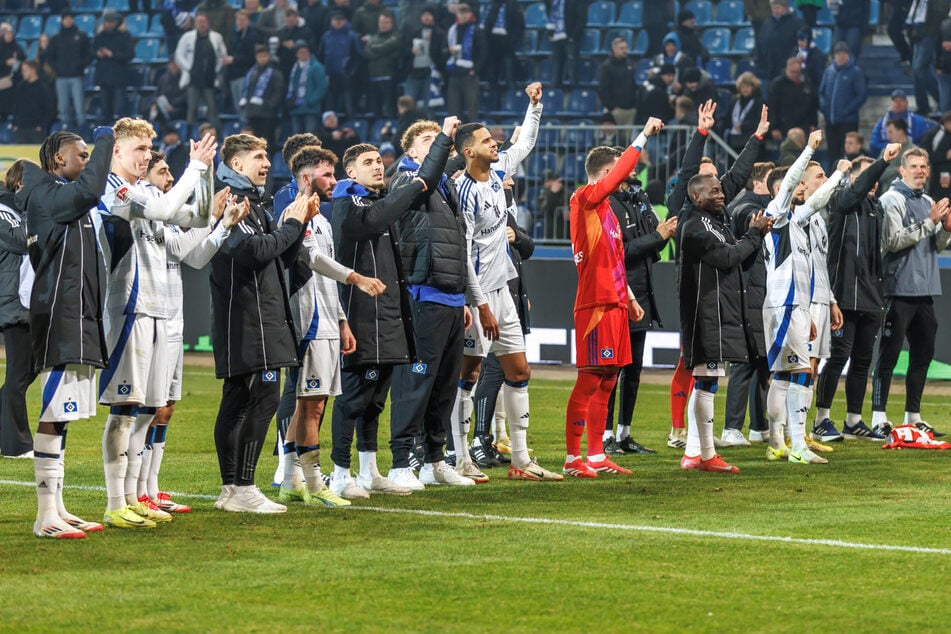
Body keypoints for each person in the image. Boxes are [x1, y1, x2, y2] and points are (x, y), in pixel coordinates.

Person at [96, 118, 217, 529]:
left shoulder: (145, 191)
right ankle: (116, 503)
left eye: (149, 150)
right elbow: (168, 210)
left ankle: (135, 497)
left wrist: (206, 173)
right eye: (139, 150)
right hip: (130, 307)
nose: (146, 156)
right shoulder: (115, 190)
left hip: (158, 310)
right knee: (125, 409)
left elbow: (198, 219)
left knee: (146, 409)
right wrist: (194, 168)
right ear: (117, 151)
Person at [452, 83, 563, 482]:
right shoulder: (462, 191)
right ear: (468, 151)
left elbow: (526, 145)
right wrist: (478, 304)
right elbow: (463, 253)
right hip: (478, 296)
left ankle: (520, 459)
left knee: (519, 372)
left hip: (503, 291)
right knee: (468, 377)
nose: (495, 143)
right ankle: (461, 456)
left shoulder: (498, 172)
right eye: (485, 140)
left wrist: (534, 107)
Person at [211, 134, 318, 513]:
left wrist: (299, 224)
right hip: (247, 319)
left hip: (261, 316)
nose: (267, 163)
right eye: (258, 156)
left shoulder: (255, 203)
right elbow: (253, 252)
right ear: (237, 164)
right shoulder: (230, 199)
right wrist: (291, 226)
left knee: (240, 399)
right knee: (259, 398)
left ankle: (232, 490)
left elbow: (278, 257)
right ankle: (242, 486)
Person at [16, 127, 115, 538]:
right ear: (58, 159)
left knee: (65, 416)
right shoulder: (48, 195)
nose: (90, 161)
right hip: (61, 317)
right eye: (83, 154)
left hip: (79, 316)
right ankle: (44, 517)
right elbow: (91, 191)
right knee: (54, 414)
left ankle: (58, 507)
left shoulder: (65, 198)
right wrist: (108, 138)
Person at [386, 117, 490, 488]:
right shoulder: (404, 180)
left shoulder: (444, 187)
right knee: (415, 383)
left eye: (438, 139)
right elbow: (429, 176)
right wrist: (446, 138)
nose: (436, 144)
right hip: (421, 293)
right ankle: (402, 461)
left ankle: (433, 459)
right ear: (411, 151)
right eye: (427, 140)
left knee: (444, 385)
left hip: (449, 297)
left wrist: (461, 297)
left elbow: (455, 249)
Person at [277, 145, 382, 506]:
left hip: (325, 319)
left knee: (310, 403)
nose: (334, 182)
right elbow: (313, 259)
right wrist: (357, 277)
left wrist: (342, 321)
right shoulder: (296, 214)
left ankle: (292, 479)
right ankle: (314, 483)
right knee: (312, 405)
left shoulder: (321, 218)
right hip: (306, 320)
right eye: (327, 175)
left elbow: (326, 278)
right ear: (307, 178)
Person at [327, 142, 426, 498]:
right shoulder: (347, 202)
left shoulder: (373, 202)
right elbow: (377, 219)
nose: (377, 167)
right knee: (353, 398)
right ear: (350, 171)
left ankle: (369, 471)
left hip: (386, 317)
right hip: (360, 315)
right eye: (367, 163)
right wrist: (415, 184)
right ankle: (339, 473)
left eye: (379, 162)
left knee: (375, 401)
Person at [563, 125, 659, 478]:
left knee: (608, 379)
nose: (627, 176)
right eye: (620, 170)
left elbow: (617, 261)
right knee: (589, 379)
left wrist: (631, 299)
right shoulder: (584, 198)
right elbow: (617, 172)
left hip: (617, 303)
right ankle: (573, 458)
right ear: (606, 173)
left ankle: (597, 456)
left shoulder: (609, 215)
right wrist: (643, 137)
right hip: (595, 305)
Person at [678, 173, 772, 473]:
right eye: (714, 191)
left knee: (707, 382)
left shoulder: (717, 223)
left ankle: (695, 452)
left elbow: (739, 261)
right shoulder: (695, 225)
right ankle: (704, 454)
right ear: (696, 197)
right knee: (706, 382)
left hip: (719, 311)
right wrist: (754, 234)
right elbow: (728, 257)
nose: (721, 195)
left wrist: (758, 237)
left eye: (721, 191)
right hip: (704, 313)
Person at [812, 145, 903, 441]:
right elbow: (857, 189)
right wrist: (883, 162)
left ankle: (853, 420)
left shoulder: (876, 208)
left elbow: (877, 255)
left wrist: (881, 292)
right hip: (844, 293)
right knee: (838, 357)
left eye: (874, 177)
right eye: (867, 175)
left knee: (863, 359)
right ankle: (821, 419)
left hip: (871, 296)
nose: (872, 182)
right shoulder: (842, 200)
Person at [599, 138, 675, 458]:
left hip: (642, 291)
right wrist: (657, 237)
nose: (632, 167)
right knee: (612, 371)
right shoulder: (607, 205)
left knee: (634, 370)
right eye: (624, 164)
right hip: (619, 294)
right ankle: (604, 436)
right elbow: (621, 253)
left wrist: (658, 237)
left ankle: (624, 434)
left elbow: (649, 244)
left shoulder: (637, 199)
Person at [760, 130, 829, 465]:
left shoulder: (800, 223)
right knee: (802, 371)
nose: (803, 189)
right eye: (800, 184)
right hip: (784, 305)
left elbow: (816, 201)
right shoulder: (777, 212)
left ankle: (777, 443)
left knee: (787, 374)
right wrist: (808, 149)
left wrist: (840, 178)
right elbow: (789, 185)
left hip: (795, 306)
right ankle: (798, 446)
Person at [871, 149, 951, 435]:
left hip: (925, 289)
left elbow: (936, 246)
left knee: (923, 354)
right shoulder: (891, 200)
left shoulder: (929, 201)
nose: (920, 171)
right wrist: (930, 222)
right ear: (901, 171)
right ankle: (878, 418)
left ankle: (912, 416)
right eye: (914, 166)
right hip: (898, 288)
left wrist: (945, 230)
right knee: (889, 355)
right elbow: (892, 241)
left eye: (924, 166)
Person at [721, 161, 774, 445]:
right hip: (747, 292)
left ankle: (758, 425)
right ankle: (731, 428)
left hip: (757, 291)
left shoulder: (752, 206)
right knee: (744, 362)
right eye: (770, 181)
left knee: (761, 361)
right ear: (757, 184)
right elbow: (743, 239)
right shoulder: (746, 209)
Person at [0, 160, 34, 459]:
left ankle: (8, 436)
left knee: (26, 372)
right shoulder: (2, 209)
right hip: (14, 302)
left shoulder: (19, 211)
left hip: (28, 302)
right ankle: (17, 445)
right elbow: (21, 240)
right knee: (19, 375)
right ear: (20, 184)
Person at [175, 12, 228, 132]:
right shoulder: (187, 37)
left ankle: (217, 135)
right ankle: (189, 135)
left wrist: (217, 69)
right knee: (192, 108)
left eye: (203, 22)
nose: (201, 24)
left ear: (208, 23)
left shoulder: (217, 37)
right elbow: (179, 55)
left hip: (210, 79)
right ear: (195, 24)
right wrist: (189, 68)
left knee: (212, 109)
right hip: (193, 79)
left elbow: (222, 55)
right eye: (199, 22)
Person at [819, 42, 867, 165]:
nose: (840, 56)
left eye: (843, 53)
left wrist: (847, 110)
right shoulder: (828, 71)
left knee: (848, 153)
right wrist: (825, 109)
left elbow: (861, 95)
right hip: (831, 120)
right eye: (838, 53)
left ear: (848, 55)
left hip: (848, 121)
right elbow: (822, 92)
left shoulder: (855, 72)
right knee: (832, 153)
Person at [46, 11, 92, 131]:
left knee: (79, 107)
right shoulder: (56, 38)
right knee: (63, 108)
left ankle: (82, 132)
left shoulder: (81, 35)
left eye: (70, 18)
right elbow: (49, 56)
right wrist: (57, 68)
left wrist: (81, 65)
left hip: (77, 76)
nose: (68, 20)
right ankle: (66, 131)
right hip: (61, 77)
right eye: (66, 18)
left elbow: (89, 54)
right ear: (62, 20)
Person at [239, 44, 285, 151]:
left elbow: (278, 93)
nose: (262, 58)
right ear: (256, 57)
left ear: (268, 56)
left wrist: (267, 105)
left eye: (265, 56)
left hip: (268, 115)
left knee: (267, 144)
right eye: (260, 56)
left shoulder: (275, 73)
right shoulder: (251, 73)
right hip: (252, 114)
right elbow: (247, 90)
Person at [445, 4, 485, 123]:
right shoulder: (452, 30)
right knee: (453, 109)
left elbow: (483, 52)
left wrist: (475, 70)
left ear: (470, 14)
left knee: (472, 106)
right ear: (456, 14)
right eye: (460, 12)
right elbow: (442, 50)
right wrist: (449, 51)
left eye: (465, 12)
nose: (463, 15)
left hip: (469, 74)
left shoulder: (477, 31)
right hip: (454, 73)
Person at [92, 11, 135, 123]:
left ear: (117, 23)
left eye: (111, 22)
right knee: (105, 111)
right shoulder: (100, 36)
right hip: (104, 78)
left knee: (120, 111)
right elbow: (91, 52)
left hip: (119, 78)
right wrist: (97, 54)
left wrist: (113, 54)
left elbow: (130, 54)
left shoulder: (125, 36)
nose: (108, 24)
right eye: (106, 22)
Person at [318, 11, 363, 115]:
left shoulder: (352, 36)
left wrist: (350, 71)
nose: (338, 22)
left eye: (340, 20)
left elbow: (357, 56)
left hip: (346, 75)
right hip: (330, 74)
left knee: (348, 103)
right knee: (330, 103)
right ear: (331, 21)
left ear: (345, 21)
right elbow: (320, 54)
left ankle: (350, 122)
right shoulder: (326, 36)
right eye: (335, 20)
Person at [404, 9, 447, 114]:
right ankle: (408, 128)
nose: (427, 17)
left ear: (433, 17)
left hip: (430, 74)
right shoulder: (413, 32)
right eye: (424, 15)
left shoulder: (440, 33)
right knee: (407, 104)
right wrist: (411, 51)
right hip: (413, 72)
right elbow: (402, 50)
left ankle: (430, 129)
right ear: (420, 17)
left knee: (429, 107)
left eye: (429, 15)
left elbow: (443, 54)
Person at [224, 10, 264, 122]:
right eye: (238, 20)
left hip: (245, 75)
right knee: (238, 106)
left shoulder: (252, 36)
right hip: (233, 75)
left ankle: (247, 129)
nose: (240, 22)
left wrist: (234, 59)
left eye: (243, 20)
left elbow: (251, 57)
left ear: (248, 21)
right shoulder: (234, 35)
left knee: (245, 106)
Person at [870, 90, 937, 156]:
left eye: (901, 100)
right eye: (895, 101)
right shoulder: (881, 123)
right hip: (888, 157)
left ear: (906, 103)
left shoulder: (919, 121)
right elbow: (874, 145)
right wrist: (895, 146)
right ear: (891, 103)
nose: (898, 103)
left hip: (913, 157)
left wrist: (906, 148)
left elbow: (925, 143)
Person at [753, 0, 804, 84]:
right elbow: (759, 44)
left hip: (787, 72)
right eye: (773, 8)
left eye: (778, 8)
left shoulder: (797, 23)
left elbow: (800, 46)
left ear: (785, 7)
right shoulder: (767, 24)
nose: (775, 10)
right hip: (767, 72)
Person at [768, 58, 818, 142]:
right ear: (787, 69)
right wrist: (774, 127)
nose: (795, 74)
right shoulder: (777, 85)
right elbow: (772, 107)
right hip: (783, 129)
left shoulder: (807, 83)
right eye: (792, 72)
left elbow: (813, 105)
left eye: (797, 72)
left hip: (804, 128)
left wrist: (813, 123)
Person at [362, 12, 401, 117]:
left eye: (386, 22)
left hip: (389, 77)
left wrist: (374, 48)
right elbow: (365, 53)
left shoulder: (396, 36)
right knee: (375, 109)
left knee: (390, 109)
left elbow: (386, 47)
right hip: (373, 78)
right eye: (382, 22)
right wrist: (381, 53)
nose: (383, 24)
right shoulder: (374, 37)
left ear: (392, 23)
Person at [286, 40, 327, 134]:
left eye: (306, 52)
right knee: (297, 139)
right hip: (296, 108)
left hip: (310, 108)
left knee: (309, 137)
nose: (304, 54)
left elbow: (321, 87)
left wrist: (311, 101)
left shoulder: (316, 67)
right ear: (296, 54)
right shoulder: (295, 68)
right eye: (301, 52)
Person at [597, 37, 639, 129]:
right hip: (616, 111)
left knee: (628, 141)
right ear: (614, 50)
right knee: (614, 141)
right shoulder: (606, 67)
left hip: (630, 110)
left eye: (626, 48)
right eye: (622, 48)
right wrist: (612, 108)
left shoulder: (630, 65)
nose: (625, 51)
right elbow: (603, 89)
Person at [545, 0, 586, 88]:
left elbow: (582, 18)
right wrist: (550, 33)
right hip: (556, 38)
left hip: (570, 38)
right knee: (556, 68)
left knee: (572, 69)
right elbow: (551, 17)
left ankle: (575, 93)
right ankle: (555, 93)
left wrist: (574, 36)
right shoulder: (554, 1)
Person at [11, 61, 55, 144]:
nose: (22, 73)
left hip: (36, 130)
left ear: (33, 70)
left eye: (25, 70)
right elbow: (16, 107)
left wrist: (42, 125)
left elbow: (49, 109)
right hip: (21, 129)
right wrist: (15, 124)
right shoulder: (20, 87)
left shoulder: (43, 88)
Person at [723, 72, 765, 154]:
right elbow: (727, 118)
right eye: (743, 86)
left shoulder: (759, 102)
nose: (745, 89)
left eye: (748, 86)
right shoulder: (734, 100)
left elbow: (758, 121)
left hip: (750, 140)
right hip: (734, 139)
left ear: (753, 87)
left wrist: (743, 126)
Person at [878, 118, 918, 192]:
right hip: (888, 195)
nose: (888, 136)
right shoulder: (886, 152)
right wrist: (897, 170)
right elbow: (878, 175)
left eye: (890, 132)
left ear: (900, 132)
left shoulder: (915, 152)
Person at [921, 112, 951, 202]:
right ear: (947, 122)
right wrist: (946, 156)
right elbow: (926, 155)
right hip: (939, 173)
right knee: (941, 197)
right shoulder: (935, 134)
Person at [794, 29, 826, 93]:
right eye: (799, 40)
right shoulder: (795, 51)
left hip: (811, 89)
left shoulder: (817, 55)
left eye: (803, 40)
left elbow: (819, 75)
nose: (800, 43)